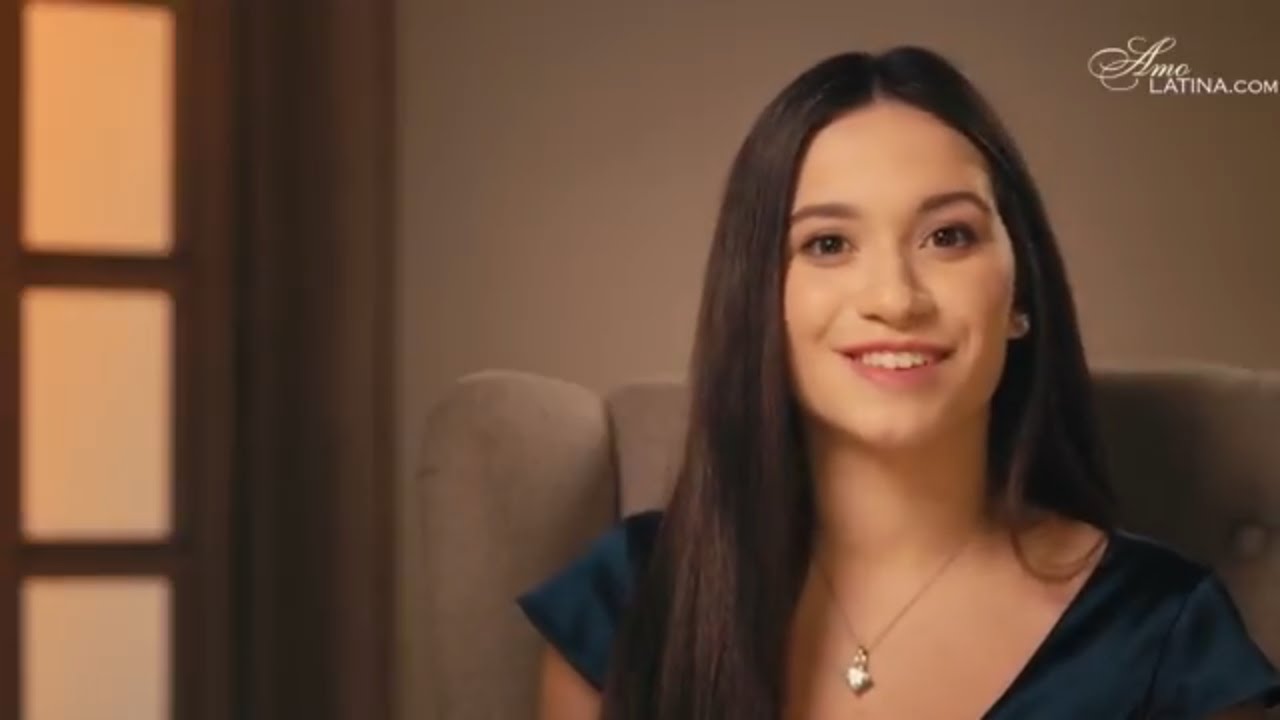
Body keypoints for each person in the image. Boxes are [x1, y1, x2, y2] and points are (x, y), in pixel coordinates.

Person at [515, 46, 1280, 719]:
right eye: (828, 244)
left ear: (1020, 295)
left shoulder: (1163, 633)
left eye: (948, 236)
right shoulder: (625, 603)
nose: (895, 298)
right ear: (759, 302)